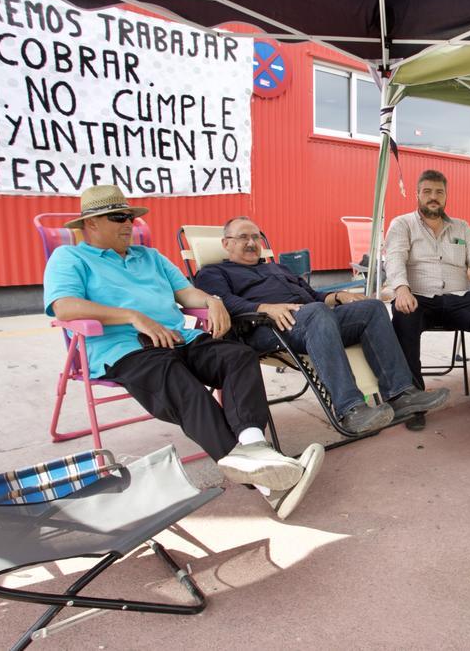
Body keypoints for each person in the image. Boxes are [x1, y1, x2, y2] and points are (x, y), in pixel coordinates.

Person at [42, 186, 322, 519]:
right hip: (126, 348)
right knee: (180, 383)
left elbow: (187, 293)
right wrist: (133, 317)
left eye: (130, 217)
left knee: (238, 355)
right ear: (91, 225)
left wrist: (212, 301)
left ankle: (254, 447)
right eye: (118, 217)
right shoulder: (70, 258)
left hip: (181, 338)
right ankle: (270, 486)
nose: (128, 224)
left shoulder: (150, 257)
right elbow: (64, 305)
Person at [193, 216, 451, 435]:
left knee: (371, 307)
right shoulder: (213, 273)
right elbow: (221, 302)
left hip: (314, 318)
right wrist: (265, 308)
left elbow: (314, 297)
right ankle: (350, 409)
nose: (251, 243)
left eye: (255, 237)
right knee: (317, 313)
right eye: (243, 238)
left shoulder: (278, 268)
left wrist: (337, 297)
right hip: (266, 328)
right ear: (226, 244)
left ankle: (401, 394)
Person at [385, 170, 470, 419]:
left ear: (446, 196)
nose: (433, 197)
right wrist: (401, 288)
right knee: (402, 315)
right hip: (419, 297)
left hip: (459, 298)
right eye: (427, 191)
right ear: (418, 194)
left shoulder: (462, 227)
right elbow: (395, 257)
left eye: (439, 192)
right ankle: (413, 399)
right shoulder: (402, 224)